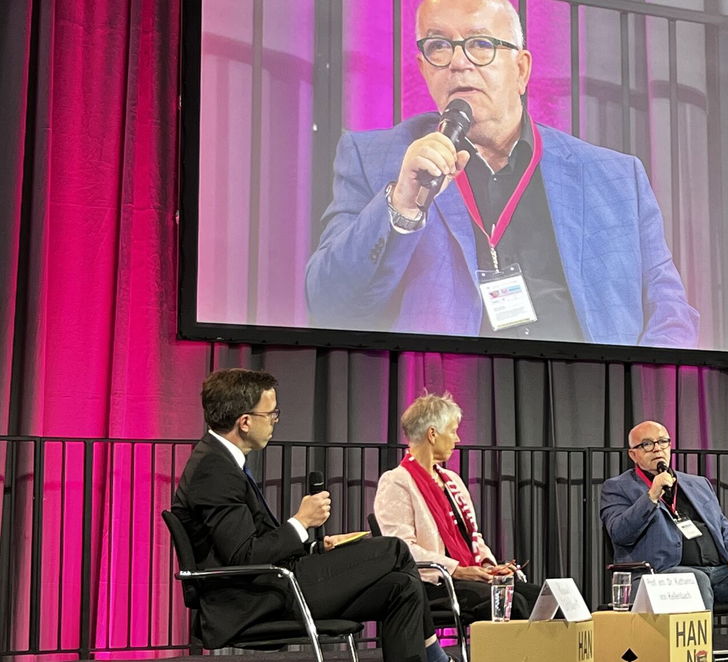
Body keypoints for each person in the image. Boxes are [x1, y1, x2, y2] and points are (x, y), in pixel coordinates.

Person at [306, 0, 698, 347]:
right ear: (424, 69)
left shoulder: (614, 177)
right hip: (447, 392)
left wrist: (639, 389)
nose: (458, 62)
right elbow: (329, 305)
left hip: (588, 385)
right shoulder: (375, 159)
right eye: (439, 46)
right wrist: (402, 204)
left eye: (480, 43)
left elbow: (670, 310)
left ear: (521, 69)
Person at [170, 369, 452, 662]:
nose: (275, 421)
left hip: (273, 583)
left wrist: (316, 547)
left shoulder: (219, 460)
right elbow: (244, 556)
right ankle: (436, 656)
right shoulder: (214, 469)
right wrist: (301, 521)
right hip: (256, 599)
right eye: (271, 414)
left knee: (403, 587)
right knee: (394, 549)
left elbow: (252, 543)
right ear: (245, 422)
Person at [599, 421, 728, 662]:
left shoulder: (698, 483)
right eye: (647, 444)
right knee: (695, 580)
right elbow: (620, 532)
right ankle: (699, 657)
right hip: (658, 574)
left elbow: (723, 526)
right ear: (633, 454)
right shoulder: (617, 487)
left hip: (716, 571)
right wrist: (651, 496)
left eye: (662, 441)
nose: (657, 448)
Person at [374, 393, 537, 620]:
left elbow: (474, 537)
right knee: (512, 603)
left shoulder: (452, 480)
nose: (457, 439)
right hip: (432, 582)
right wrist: (457, 570)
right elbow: (403, 549)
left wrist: (488, 565)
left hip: (467, 576)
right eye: (452, 431)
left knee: (540, 597)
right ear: (433, 434)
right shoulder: (396, 481)